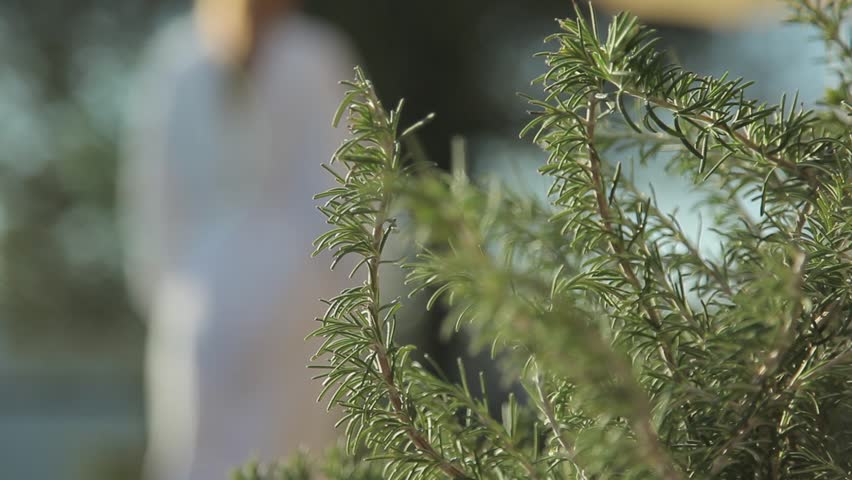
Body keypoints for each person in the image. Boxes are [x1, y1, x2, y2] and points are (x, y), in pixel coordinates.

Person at [118, 1, 356, 478]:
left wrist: (170, 296)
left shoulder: (173, 59)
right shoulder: (314, 54)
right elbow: (344, 186)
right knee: (294, 462)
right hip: (287, 304)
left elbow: (151, 199)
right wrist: (351, 305)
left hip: (208, 309)